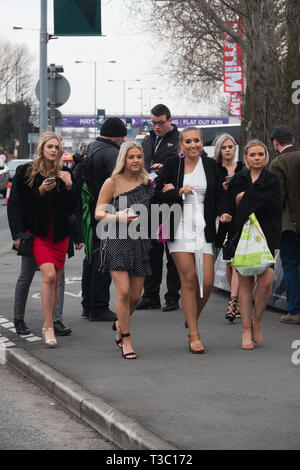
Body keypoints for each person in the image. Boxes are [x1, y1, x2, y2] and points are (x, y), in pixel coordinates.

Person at [155, 127, 231, 354]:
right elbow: (157, 193)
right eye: (188, 141)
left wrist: (224, 212)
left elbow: (219, 195)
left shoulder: (209, 166)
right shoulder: (172, 165)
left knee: (207, 281)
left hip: (203, 227)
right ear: (181, 145)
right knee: (189, 279)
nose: (193, 145)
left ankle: (192, 318)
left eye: (196, 140)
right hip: (178, 227)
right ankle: (194, 334)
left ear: (201, 143)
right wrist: (177, 190)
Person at [11, 131, 78, 347]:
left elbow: (72, 207)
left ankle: (54, 322)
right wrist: (17, 234)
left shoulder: (65, 173)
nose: (53, 150)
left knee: (56, 279)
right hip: (35, 234)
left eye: (57, 147)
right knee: (38, 275)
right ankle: (30, 321)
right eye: (50, 146)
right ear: (42, 148)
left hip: (59, 235)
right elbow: (18, 205)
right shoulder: (26, 172)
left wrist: (69, 185)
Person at [95, 141, 155, 359]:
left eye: (139, 156)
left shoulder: (148, 182)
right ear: (124, 159)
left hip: (139, 242)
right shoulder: (112, 182)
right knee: (123, 292)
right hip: (116, 240)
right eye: (131, 157)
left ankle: (120, 323)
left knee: (136, 297)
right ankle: (126, 338)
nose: (136, 160)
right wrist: (118, 216)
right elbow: (98, 212)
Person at [227, 140, 282, 350]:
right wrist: (239, 201)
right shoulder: (238, 180)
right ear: (246, 157)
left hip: (267, 235)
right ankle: (246, 329)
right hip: (242, 235)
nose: (257, 158)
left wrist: (246, 199)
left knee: (266, 280)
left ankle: (257, 320)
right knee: (246, 283)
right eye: (252, 154)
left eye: (260, 154)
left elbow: (275, 208)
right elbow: (231, 205)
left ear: (266, 156)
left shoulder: (272, 180)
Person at [76, 117, 127, 322]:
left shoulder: (90, 148)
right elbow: (119, 185)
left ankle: (87, 304)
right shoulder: (112, 154)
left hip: (89, 213)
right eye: (122, 136)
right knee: (104, 258)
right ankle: (99, 306)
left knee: (91, 256)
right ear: (115, 135)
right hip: (107, 213)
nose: (123, 140)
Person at [137, 104, 181, 312]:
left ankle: (172, 297)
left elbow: (185, 167)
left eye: (161, 123)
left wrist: (166, 169)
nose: (156, 127)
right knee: (151, 252)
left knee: (172, 253)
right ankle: (150, 295)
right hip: (150, 202)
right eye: (153, 123)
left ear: (170, 120)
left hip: (170, 203)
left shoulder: (179, 141)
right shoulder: (147, 140)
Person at [270, 125, 300, 324]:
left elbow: (277, 198)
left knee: (290, 265)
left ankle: (295, 311)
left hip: (291, 224)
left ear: (275, 142)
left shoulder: (278, 163)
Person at [214, 133, 244, 322]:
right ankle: (236, 300)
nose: (227, 150)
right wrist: (222, 188)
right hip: (223, 218)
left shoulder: (242, 168)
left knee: (237, 263)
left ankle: (234, 302)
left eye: (230, 146)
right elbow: (212, 194)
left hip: (240, 218)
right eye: (224, 147)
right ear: (219, 150)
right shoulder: (214, 168)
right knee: (229, 261)